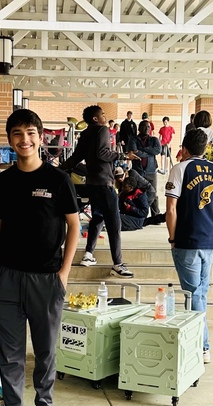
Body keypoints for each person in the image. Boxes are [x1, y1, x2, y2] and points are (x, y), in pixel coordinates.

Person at [0, 110, 79, 406]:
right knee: (9, 353)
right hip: (6, 279)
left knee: (45, 351)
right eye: (16, 134)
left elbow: (74, 227)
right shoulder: (2, 182)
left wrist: (63, 275)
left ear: (40, 136)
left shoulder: (58, 180)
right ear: (9, 139)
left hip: (46, 280)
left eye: (30, 133)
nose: (24, 140)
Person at [165, 128, 213, 364]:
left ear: (184, 148)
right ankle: (199, 343)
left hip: (187, 241)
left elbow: (171, 209)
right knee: (199, 292)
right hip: (210, 241)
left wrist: (172, 238)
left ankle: (202, 346)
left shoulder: (180, 168)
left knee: (193, 295)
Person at [60, 105, 134, 277]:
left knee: (98, 217)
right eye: (102, 114)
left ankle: (88, 254)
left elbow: (75, 158)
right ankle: (118, 264)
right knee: (114, 224)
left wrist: (57, 170)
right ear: (95, 118)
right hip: (104, 183)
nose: (104, 116)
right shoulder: (103, 130)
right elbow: (103, 153)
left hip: (92, 184)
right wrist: (121, 155)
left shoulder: (85, 134)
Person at [129, 120, 161, 216]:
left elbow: (157, 150)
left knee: (153, 192)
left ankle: (155, 215)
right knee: (138, 193)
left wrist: (141, 150)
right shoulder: (133, 139)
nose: (147, 129)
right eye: (144, 126)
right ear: (139, 128)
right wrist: (149, 152)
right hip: (138, 171)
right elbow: (134, 152)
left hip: (151, 171)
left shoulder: (154, 140)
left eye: (148, 127)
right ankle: (139, 213)